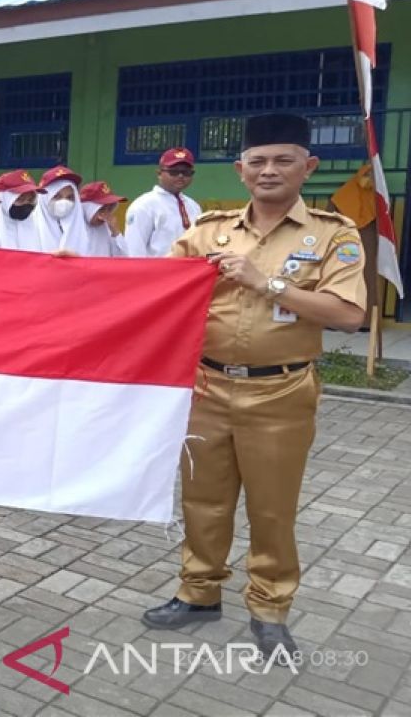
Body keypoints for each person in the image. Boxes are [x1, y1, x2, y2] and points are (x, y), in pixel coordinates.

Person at [142, 113, 367, 662]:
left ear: (307, 166)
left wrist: (267, 281)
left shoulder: (332, 234)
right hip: (207, 389)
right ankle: (199, 594)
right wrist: (77, 274)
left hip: (281, 395)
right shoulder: (207, 232)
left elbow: (347, 315)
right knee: (202, 501)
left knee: (272, 510)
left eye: (283, 160)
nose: (269, 171)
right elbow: (150, 289)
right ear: (241, 169)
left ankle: (269, 609)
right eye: (258, 161)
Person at [125, 147, 203, 257]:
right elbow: (134, 250)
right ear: (159, 173)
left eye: (186, 172)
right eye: (174, 172)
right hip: (157, 272)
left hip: (189, 272)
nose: (180, 176)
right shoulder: (144, 205)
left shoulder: (194, 206)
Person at [32, 165, 94, 254]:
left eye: (70, 197)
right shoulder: (30, 227)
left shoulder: (85, 230)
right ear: (44, 199)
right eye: (57, 196)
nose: (64, 202)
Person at [0, 169, 45, 251]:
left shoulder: (40, 228)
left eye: (30, 200)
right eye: (20, 199)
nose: (26, 204)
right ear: (5, 200)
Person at [79, 181, 128, 257]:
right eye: (101, 209)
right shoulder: (75, 228)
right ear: (87, 208)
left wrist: (116, 233)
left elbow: (123, 258)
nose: (105, 214)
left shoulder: (107, 227)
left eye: (109, 209)